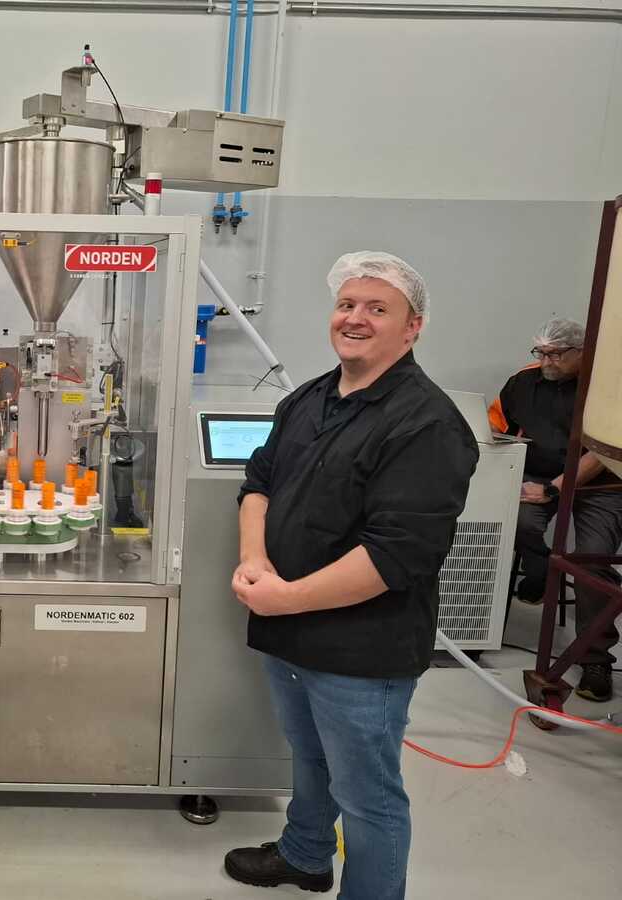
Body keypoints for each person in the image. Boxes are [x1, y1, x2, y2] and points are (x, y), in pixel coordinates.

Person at [223, 252, 478, 899]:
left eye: (377, 308)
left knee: (369, 798)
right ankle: (306, 855)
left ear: (412, 327)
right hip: (288, 632)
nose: (355, 318)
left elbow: (395, 555)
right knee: (309, 759)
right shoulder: (307, 399)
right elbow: (258, 483)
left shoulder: (428, 424)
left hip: (362, 652)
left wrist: (284, 598)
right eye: (346, 305)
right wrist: (254, 560)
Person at [488, 317, 622, 702]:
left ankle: (595, 661)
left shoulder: (606, 388)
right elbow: (496, 428)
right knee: (517, 522)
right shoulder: (522, 382)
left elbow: (604, 451)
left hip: (601, 486)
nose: (546, 361)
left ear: (583, 352)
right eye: (541, 352)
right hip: (537, 474)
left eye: (557, 354)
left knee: (591, 560)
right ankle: (542, 572)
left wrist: (553, 489)